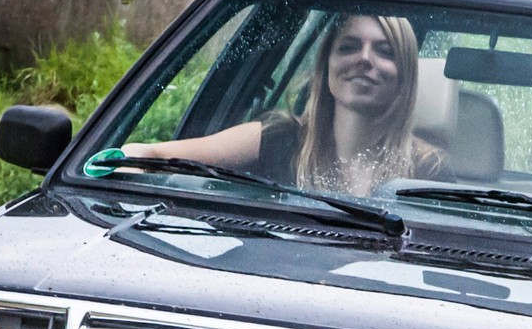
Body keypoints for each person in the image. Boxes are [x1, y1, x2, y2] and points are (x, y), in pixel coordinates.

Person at [123, 14, 444, 197]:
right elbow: (147, 154)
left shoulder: (429, 169)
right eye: (348, 47)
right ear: (326, 66)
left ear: (406, 76)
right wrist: (122, 178)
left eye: (385, 52)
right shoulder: (275, 137)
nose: (364, 59)